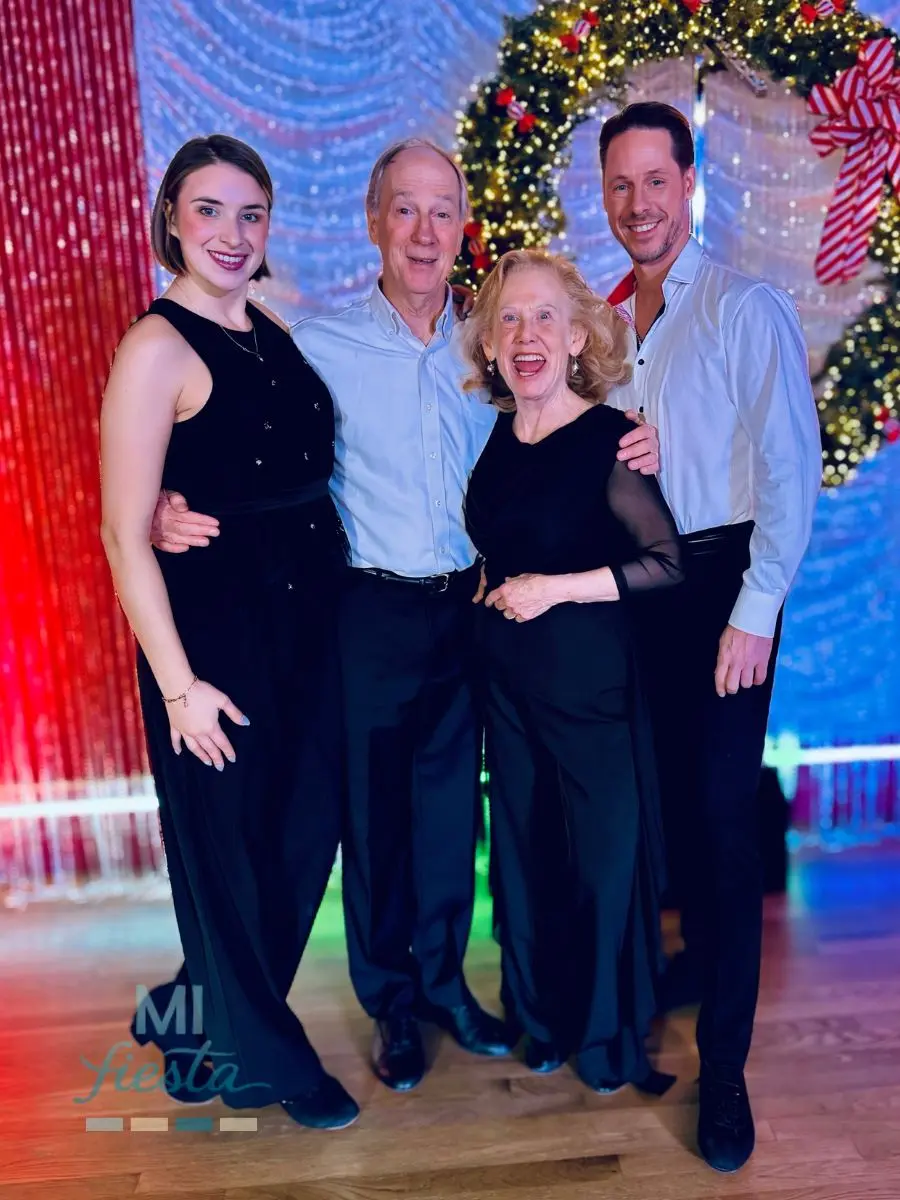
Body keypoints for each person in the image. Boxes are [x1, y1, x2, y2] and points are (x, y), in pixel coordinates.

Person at [151, 138, 661, 1092]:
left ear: (462, 227)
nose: (425, 232)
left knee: (441, 817)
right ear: (375, 222)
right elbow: (238, 442)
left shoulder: (491, 351)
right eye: (405, 210)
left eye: (442, 212)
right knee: (373, 819)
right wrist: (157, 502)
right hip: (365, 613)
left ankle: (443, 985)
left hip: (466, 613)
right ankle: (390, 1001)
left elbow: (565, 414)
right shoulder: (317, 347)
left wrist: (636, 433)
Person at [100, 135, 358, 1129]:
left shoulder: (274, 329)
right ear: (171, 217)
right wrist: (176, 687)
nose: (230, 233)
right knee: (228, 849)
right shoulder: (154, 347)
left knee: (298, 834)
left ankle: (184, 1011)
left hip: (311, 621)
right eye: (208, 210)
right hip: (215, 638)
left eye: (250, 213)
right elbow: (126, 533)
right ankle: (267, 1060)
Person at [599, 102, 821, 1171]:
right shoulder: (611, 328)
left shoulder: (745, 308)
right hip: (647, 588)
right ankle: (691, 970)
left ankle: (724, 1076)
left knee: (728, 831)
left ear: (690, 182)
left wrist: (755, 608)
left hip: (724, 578)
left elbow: (791, 471)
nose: (638, 204)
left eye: (655, 180)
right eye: (620, 186)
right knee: (672, 808)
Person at [461, 248, 682, 1094]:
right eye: (509, 318)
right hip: (507, 689)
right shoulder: (496, 436)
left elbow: (665, 562)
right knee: (522, 858)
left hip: (591, 689)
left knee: (599, 864)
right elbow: (500, 546)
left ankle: (600, 1036)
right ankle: (539, 1021)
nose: (527, 334)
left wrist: (554, 589)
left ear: (580, 333)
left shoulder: (611, 439)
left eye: (545, 315)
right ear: (489, 342)